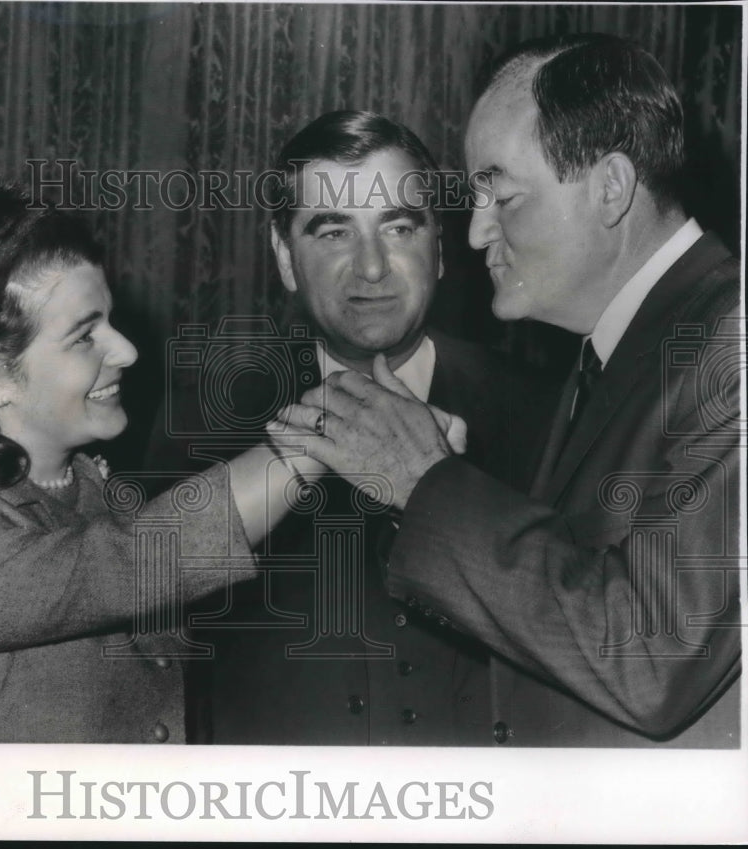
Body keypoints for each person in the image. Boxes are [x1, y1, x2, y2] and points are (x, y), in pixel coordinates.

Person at [272, 34, 741, 746]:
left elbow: (651, 657)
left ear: (611, 188)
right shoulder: (619, 354)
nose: (475, 230)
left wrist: (426, 481)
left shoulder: (728, 345)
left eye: (501, 192)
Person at [0, 182, 323, 743]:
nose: (127, 351)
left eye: (110, 320)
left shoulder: (93, 492)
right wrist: (315, 437)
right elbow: (120, 566)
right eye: (85, 336)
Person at [146, 111, 551, 744]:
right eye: (333, 232)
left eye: (397, 226)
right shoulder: (203, 418)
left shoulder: (540, 412)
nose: (371, 267)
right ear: (285, 257)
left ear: (439, 248)